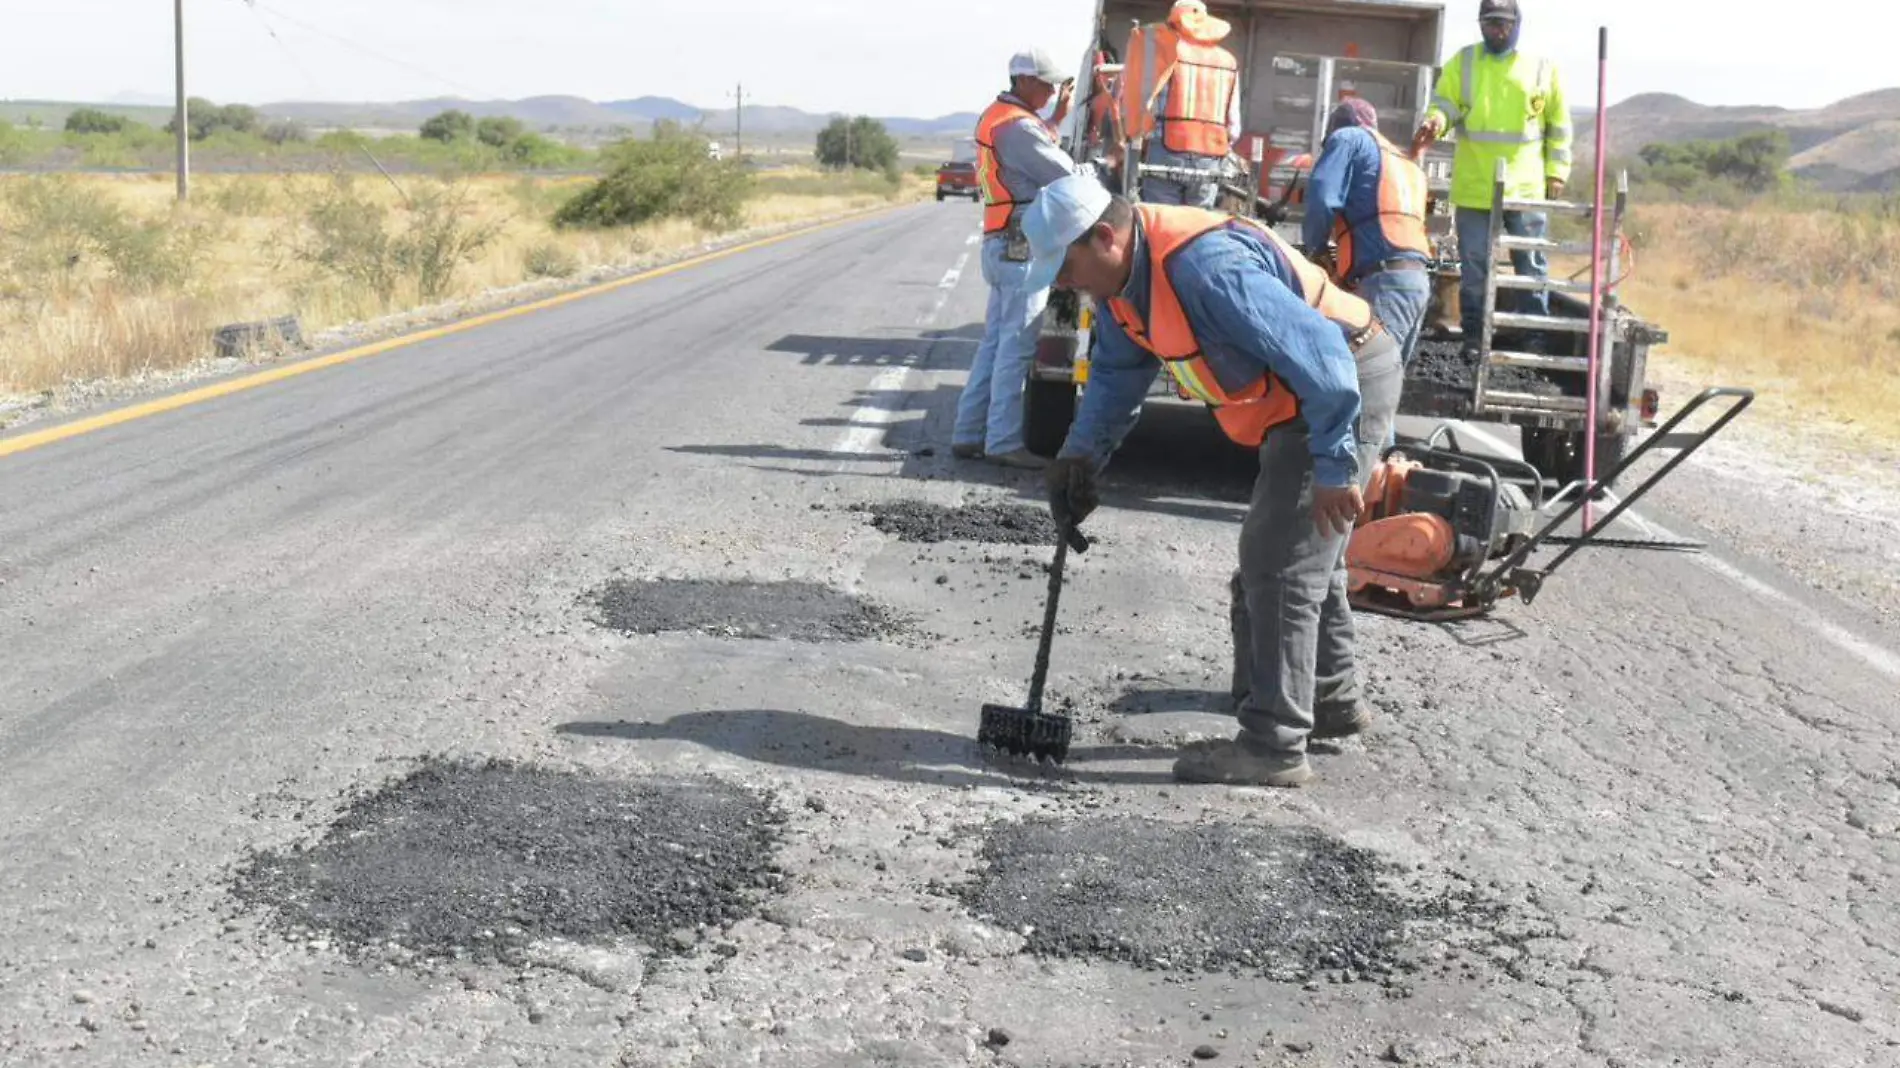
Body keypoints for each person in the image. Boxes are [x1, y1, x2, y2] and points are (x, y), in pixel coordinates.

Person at [1023, 173, 1402, 788]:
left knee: (1278, 562)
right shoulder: (1121, 288)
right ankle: (1327, 703)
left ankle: (1274, 745)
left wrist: (1336, 464)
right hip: (1299, 398)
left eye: (1064, 266)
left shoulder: (1204, 267)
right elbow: (1117, 379)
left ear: (1103, 237)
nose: (1062, 283)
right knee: (1304, 555)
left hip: (1343, 383)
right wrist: (1078, 459)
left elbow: (1327, 362)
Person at [1414, 0, 1570, 355]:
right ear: (1480, 24)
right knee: (1474, 265)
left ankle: (1533, 335)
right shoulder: (1464, 62)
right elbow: (1446, 103)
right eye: (1489, 24)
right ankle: (1475, 335)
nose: (1496, 31)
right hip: (1475, 186)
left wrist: (1556, 172)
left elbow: (1559, 126)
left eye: (1502, 24)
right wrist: (1436, 121)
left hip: (1526, 187)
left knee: (1529, 262)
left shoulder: (1542, 68)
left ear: (1517, 24)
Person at [953, 48, 1077, 470]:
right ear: (1024, 81)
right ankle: (1003, 442)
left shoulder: (1000, 116)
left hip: (1000, 239)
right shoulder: (1018, 127)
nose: (1051, 90)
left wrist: (1054, 119)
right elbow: (1063, 173)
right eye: (1046, 84)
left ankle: (969, 433)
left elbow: (1029, 158)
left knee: (993, 344)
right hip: (1019, 243)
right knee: (1016, 346)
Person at [1302, 98, 1433, 372]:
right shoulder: (1400, 159)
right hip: (1416, 281)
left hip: (1385, 282)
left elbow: (1323, 194)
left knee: (1366, 378)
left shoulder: (1348, 137)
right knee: (1386, 382)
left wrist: (1315, 250)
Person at [1138, 0, 1242, 209]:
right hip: (1211, 155)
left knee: (1162, 219)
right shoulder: (1227, 61)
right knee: (1198, 225)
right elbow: (1234, 125)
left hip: (1167, 150)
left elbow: (1145, 109)